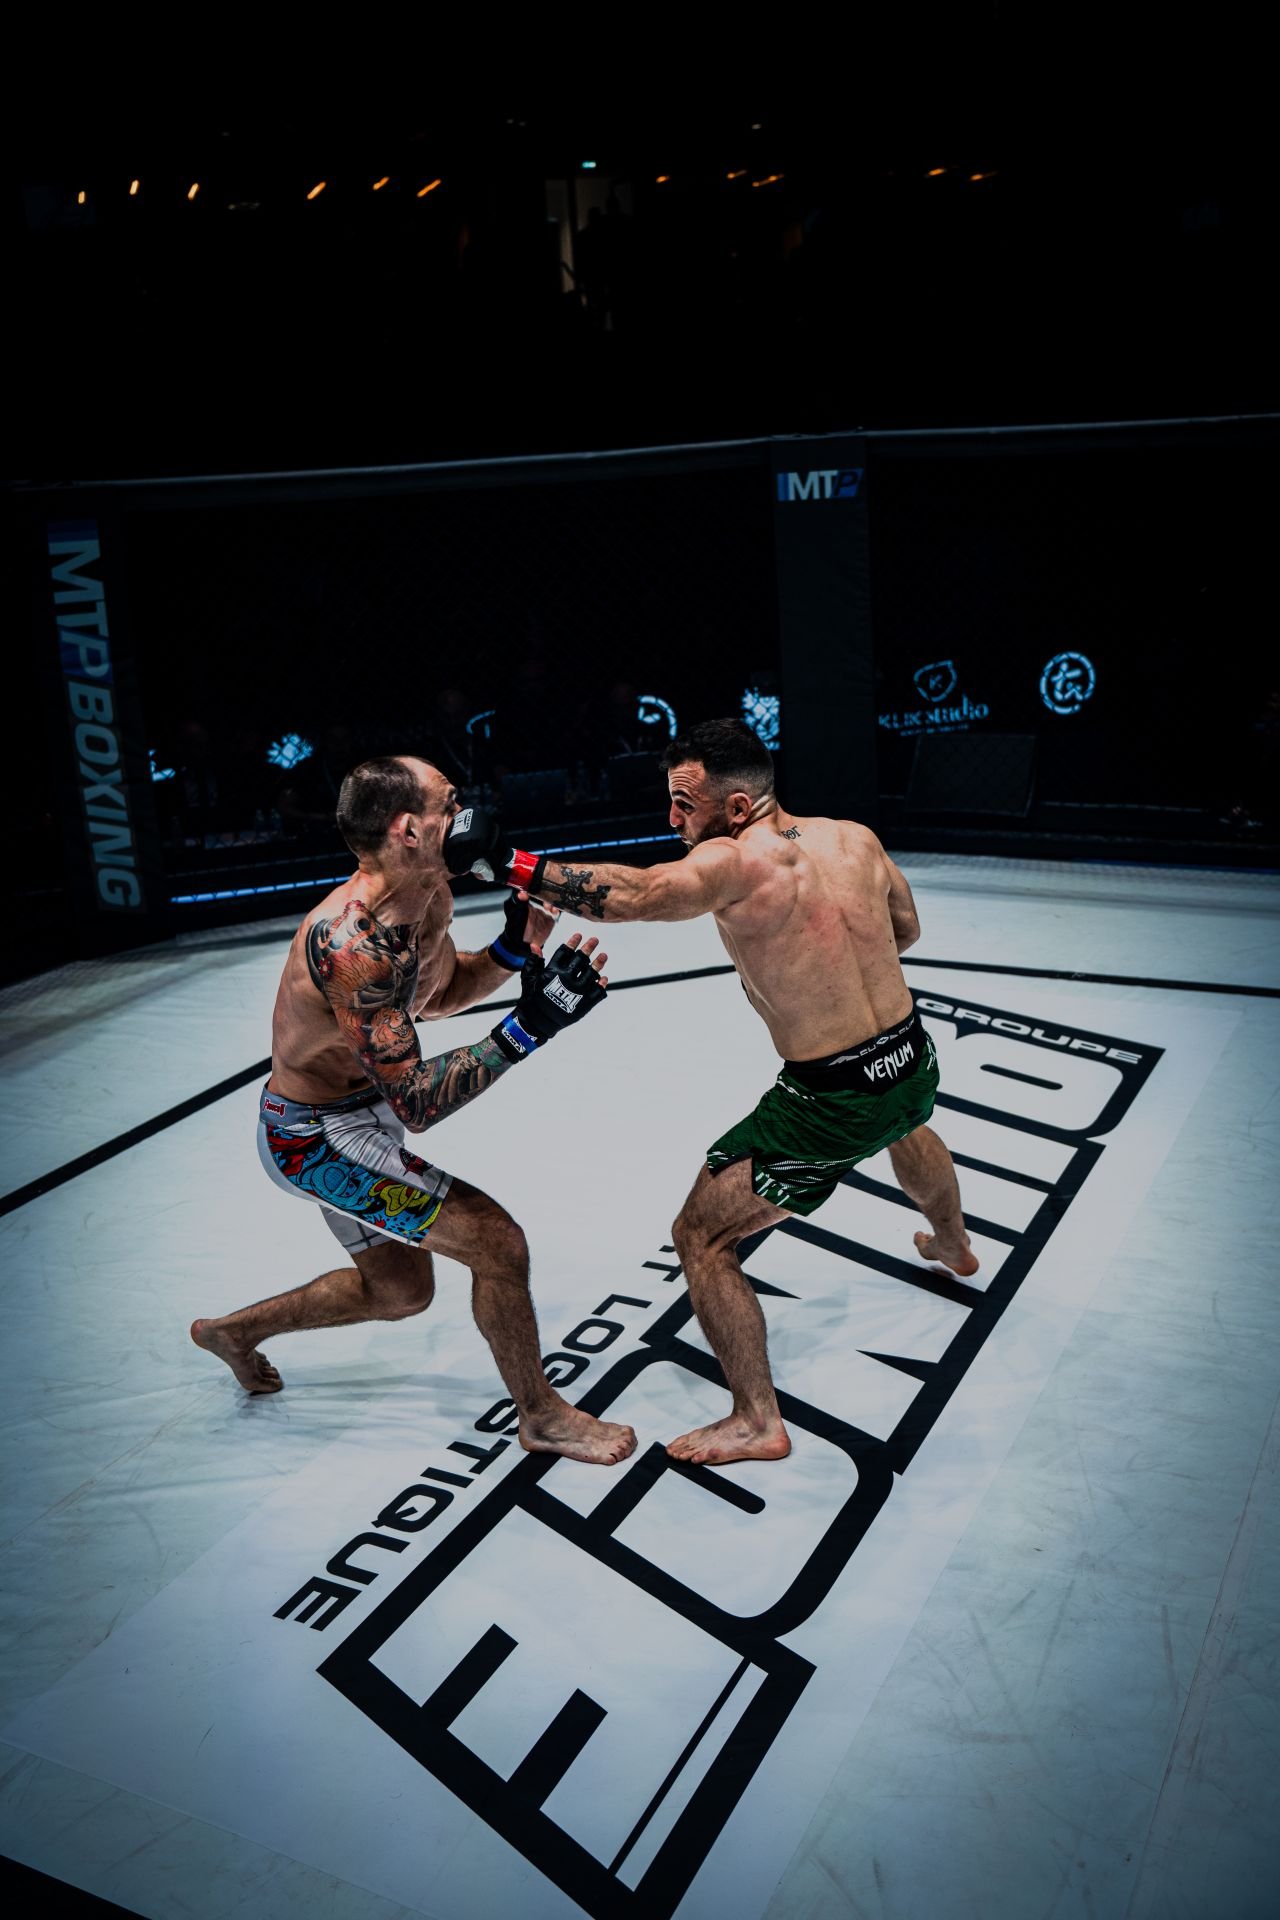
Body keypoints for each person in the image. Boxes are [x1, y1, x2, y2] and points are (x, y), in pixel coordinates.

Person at [499, 718, 977, 1467]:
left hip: (829, 1100)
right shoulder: (853, 836)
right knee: (905, 1125)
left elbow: (643, 894)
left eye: (685, 805)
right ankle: (952, 1244)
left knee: (702, 1237)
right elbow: (904, 930)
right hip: (910, 1058)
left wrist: (515, 863)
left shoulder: (734, 860)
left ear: (738, 808)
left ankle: (757, 1419)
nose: (672, 821)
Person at [191, 754, 637, 1468]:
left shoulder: (430, 893)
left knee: (400, 1292)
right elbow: (420, 1101)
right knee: (497, 1242)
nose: (467, 814)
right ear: (408, 828)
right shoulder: (351, 943)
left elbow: (435, 994)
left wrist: (511, 951)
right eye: (450, 803)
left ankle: (231, 1333)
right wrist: (531, 1027)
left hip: (364, 1111)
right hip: (315, 1137)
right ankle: (542, 1416)